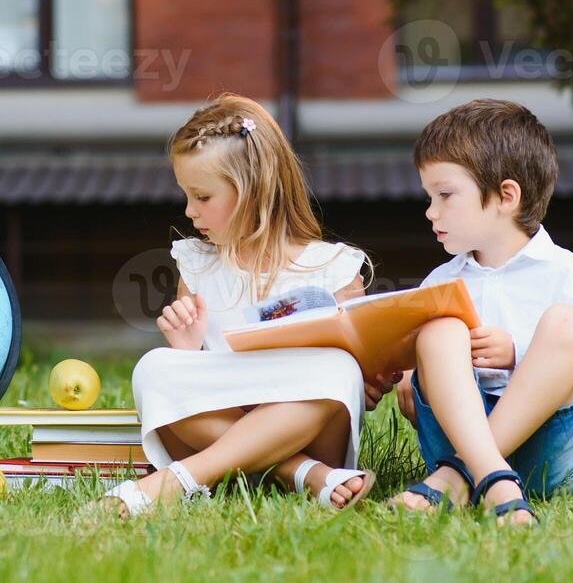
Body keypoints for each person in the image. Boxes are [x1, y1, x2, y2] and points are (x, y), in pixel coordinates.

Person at [97, 93, 391, 518]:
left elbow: (360, 378)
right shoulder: (197, 264)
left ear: (254, 191)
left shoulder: (333, 266)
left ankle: (180, 478)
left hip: (308, 425)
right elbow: (188, 381)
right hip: (254, 438)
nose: (189, 210)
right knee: (154, 368)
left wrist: (371, 372)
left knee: (337, 368)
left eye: (202, 197)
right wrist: (186, 346)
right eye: (186, 195)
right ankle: (299, 474)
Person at [382, 99, 573, 525]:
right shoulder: (441, 281)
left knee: (567, 324)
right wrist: (405, 372)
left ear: (505, 196)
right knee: (438, 329)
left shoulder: (566, 275)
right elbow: (411, 363)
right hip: (457, 431)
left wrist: (520, 353)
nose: (430, 211)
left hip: (547, 453)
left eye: (444, 195)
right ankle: (490, 477)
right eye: (428, 196)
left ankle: (460, 476)